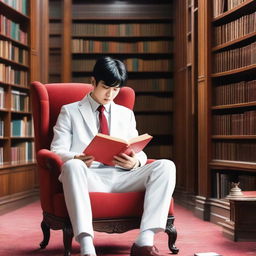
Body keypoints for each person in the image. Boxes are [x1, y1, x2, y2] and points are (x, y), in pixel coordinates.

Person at [51, 56, 176, 256]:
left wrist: (136, 161)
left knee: (166, 166)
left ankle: (144, 241)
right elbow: (57, 150)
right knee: (72, 167)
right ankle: (86, 246)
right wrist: (76, 158)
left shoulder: (125, 114)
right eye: (106, 87)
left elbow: (136, 148)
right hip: (88, 177)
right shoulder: (70, 111)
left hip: (123, 176)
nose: (110, 94)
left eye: (116, 89)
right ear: (93, 82)